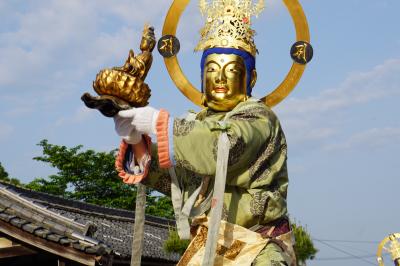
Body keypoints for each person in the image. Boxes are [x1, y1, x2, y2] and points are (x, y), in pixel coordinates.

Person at [113, 2, 296, 265]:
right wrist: (135, 140)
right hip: (207, 247)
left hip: (258, 248)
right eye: (211, 70)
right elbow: (179, 178)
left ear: (251, 78)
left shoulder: (259, 118)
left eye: (231, 71)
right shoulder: (197, 122)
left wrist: (157, 123)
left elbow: (225, 144)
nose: (220, 78)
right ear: (200, 77)